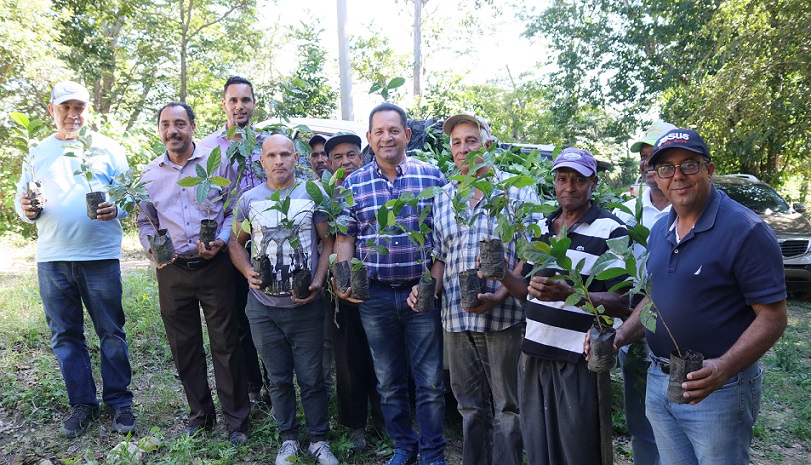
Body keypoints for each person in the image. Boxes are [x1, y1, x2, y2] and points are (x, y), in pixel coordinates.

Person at [609, 128, 787, 465]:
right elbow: (654, 298)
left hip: (718, 389)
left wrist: (722, 367)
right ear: (656, 177)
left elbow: (773, 317)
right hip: (660, 379)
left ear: (709, 169)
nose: (677, 176)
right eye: (666, 168)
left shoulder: (745, 230)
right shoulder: (661, 230)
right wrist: (619, 336)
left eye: (688, 164)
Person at [407, 114, 533, 465]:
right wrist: (426, 290)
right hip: (456, 318)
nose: (463, 149)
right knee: (469, 406)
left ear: (487, 146)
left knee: (508, 406)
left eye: (471, 141)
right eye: (457, 143)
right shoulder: (445, 196)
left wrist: (502, 293)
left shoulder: (514, 190)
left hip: (504, 316)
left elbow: (528, 252)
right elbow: (441, 256)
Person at [14, 81, 135, 438]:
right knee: (65, 336)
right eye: (65, 107)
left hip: (99, 257)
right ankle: (82, 403)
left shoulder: (108, 149)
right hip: (52, 259)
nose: (72, 114)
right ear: (52, 111)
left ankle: (120, 402)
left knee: (111, 332)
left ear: (87, 110)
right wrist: (25, 210)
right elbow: (24, 205)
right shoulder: (36, 151)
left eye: (79, 107)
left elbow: (129, 196)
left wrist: (119, 206)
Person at [499, 147, 630, 464]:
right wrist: (501, 273)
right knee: (539, 444)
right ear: (553, 182)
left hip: (578, 359)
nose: (569, 187)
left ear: (594, 183)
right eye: (562, 179)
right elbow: (526, 292)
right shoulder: (542, 229)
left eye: (578, 180)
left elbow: (624, 303)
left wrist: (567, 293)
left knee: (578, 449)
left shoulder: (612, 231)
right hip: (533, 353)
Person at [335, 103, 447, 465]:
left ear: (407, 135)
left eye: (394, 130)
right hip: (376, 295)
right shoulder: (353, 183)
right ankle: (404, 446)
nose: (387, 137)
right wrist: (344, 278)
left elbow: (444, 238)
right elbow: (346, 237)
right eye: (379, 132)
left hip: (421, 292)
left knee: (429, 380)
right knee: (388, 379)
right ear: (369, 138)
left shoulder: (431, 177)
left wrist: (431, 282)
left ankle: (432, 452)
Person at [137, 102, 249, 446]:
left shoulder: (217, 163)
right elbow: (145, 221)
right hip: (173, 270)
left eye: (180, 124)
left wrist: (223, 239)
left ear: (192, 127)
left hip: (215, 266)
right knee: (183, 345)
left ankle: (236, 421)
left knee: (226, 343)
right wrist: (151, 248)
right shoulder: (148, 176)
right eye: (166, 125)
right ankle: (200, 415)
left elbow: (233, 208)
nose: (173, 131)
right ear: (159, 130)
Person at [229, 134, 338, 465]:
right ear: (262, 161)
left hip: (304, 305)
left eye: (285, 154)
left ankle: (319, 440)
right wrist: (248, 271)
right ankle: (288, 438)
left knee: (312, 377)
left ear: (296, 159)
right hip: (263, 308)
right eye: (272, 155)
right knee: (277, 378)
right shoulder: (248, 200)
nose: (279, 161)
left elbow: (327, 242)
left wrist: (318, 282)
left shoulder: (312, 194)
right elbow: (235, 242)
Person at [198, 76, 270, 412]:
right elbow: (208, 201)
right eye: (233, 101)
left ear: (254, 104)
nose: (240, 106)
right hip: (232, 243)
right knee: (239, 317)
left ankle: (274, 381)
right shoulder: (209, 148)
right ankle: (251, 385)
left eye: (246, 100)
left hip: (270, 242)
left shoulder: (266, 144)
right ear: (224, 105)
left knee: (270, 310)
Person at [611, 121, 676, 465]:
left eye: (656, 157)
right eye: (645, 157)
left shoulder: (687, 207)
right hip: (637, 323)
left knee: (681, 412)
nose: (649, 165)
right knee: (641, 414)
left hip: (680, 327)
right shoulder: (627, 210)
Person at [323, 131, 384, 450]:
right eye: (338, 157)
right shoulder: (324, 195)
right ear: (329, 163)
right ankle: (354, 423)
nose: (345, 162)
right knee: (348, 357)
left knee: (383, 355)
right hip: (340, 287)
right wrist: (337, 278)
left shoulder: (373, 186)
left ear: (363, 156)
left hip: (378, 285)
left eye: (351, 155)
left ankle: (384, 418)